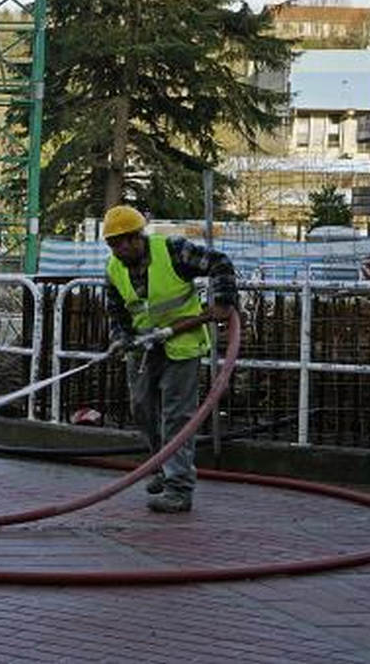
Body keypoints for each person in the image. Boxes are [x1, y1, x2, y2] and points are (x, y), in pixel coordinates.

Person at [101, 204, 236, 514]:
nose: (119, 248)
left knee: (176, 415)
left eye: (124, 241)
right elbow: (117, 313)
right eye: (113, 243)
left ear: (139, 236)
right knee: (142, 408)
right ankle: (163, 468)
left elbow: (219, 263)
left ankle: (179, 488)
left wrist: (223, 302)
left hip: (182, 344)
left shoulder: (173, 251)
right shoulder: (113, 269)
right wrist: (121, 339)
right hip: (145, 348)